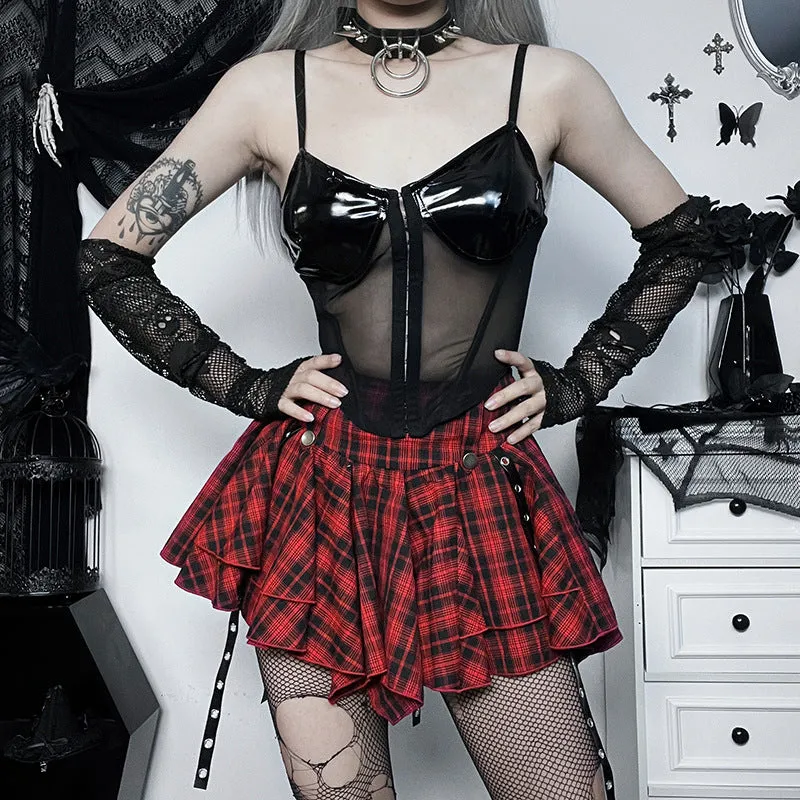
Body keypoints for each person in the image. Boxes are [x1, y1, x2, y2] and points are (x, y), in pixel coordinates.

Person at [75, 2, 721, 798]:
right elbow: (110, 259)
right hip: (319, 495)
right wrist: (244, 384)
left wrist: (579, 381)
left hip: (476, 484)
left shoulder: (546, 83)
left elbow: (682, 237)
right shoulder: (266, 90)